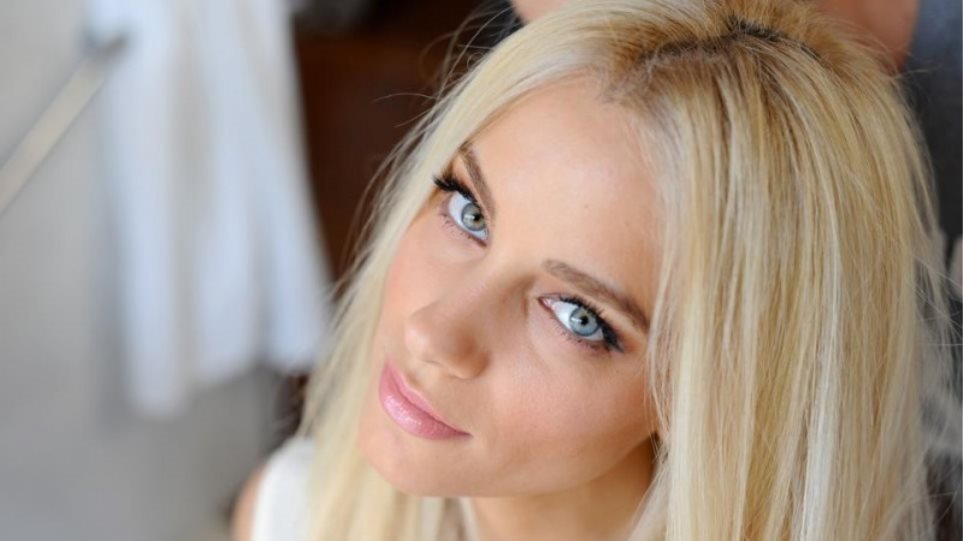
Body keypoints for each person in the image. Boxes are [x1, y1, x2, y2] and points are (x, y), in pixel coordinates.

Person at [233, 0, 960, 539]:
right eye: (469, 211)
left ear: (713, 392)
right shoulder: (290, 515)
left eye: (577, 316)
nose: (434, 333)